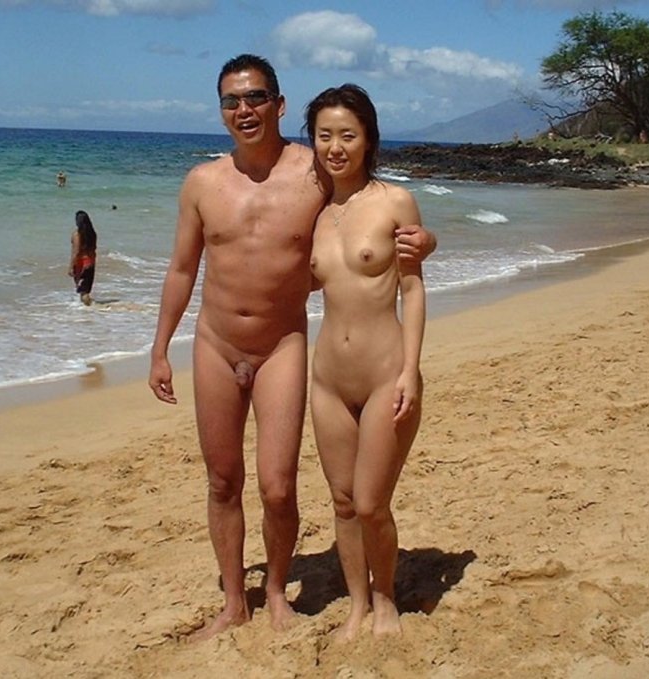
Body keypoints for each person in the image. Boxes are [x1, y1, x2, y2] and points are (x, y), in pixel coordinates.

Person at [147, 54, 435, 640]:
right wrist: (159, 349)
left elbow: (371, 211)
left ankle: (277, 593)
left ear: (278, 105)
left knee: (278, 486)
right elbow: (181, 269)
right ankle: (235, 602)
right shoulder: (201, 183)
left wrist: (427, 240)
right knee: (222, 481)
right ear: (220, 111)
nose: (244, 109)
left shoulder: (314, 174)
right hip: (215, 342)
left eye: (256, 98)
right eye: (231, 101)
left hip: (282, 344)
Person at [304, 84, 425, 639]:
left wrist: (409, 371)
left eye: (347, 135)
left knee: (373, 503)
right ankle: (356, 605)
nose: (335, 147)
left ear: (369, 139)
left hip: (385, 375)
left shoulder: (395, 202)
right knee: (344, 502)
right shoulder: (313, 212)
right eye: (324, 135)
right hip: (327, 379)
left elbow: (413, 290)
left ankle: (385, 598)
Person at [69, 210, 97, 305]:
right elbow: (94, 249)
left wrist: (71, 267)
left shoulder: (77, 234)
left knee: (82, 291)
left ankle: (92, 308)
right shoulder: (92, 234)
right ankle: (89, 307)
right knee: (85, 289)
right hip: (91, 262)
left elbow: (76, 252)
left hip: (81, 264)